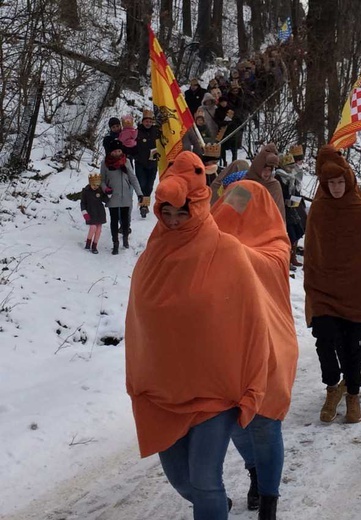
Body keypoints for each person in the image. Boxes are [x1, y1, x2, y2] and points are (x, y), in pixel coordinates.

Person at [125, 151, 276, 520]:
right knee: (181, 479)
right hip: (165, 392)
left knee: (206, 479)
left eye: (183, 213)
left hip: (215, 391)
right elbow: (139, 324)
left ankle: (263, 494)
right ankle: (214, 507)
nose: (175, 223)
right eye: (168, 214)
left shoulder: (229, 248)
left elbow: (251, 320)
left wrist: (252, 384)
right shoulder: (151, 258)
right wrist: (139, 380)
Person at [212, 180, 298, 520]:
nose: (238, 206)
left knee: (264, 423)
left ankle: (269, 499)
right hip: (224, 347)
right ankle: (255, 472)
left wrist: (224, 247)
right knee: (234, 421)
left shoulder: (275, 244)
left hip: (268, 344)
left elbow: (260, 264)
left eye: (246, 199)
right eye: (233, 199)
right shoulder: (210, 240)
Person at [304, 144, 361, 424]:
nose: (337, 188)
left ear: (349, 179)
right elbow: (313, 252)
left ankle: (354, 389)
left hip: (356, 288)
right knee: (325, 338)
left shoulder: (360, 208)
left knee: (355, 340)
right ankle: (332, 388)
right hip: (325, 289)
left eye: (341, 181)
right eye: (331, 183)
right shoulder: (319, 209)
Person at [100, 139, 143, 254]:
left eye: (119, 151)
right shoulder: (105, 163)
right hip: (112, 195)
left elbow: (133, 178)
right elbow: (102, 180)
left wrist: (139, 193)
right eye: (115, 151)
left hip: (125, 195)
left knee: (125, 220)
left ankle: (125, 238)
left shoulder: (126, 161)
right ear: (110, 152)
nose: (117, 153)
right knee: (114, 220)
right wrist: (105, 189)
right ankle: (115, 243)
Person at [275, 153, 305, 269]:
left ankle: (291, 257)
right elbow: (279, 194)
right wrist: (286, 200)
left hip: (291, 209)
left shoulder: (292, 178)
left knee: (297, 232)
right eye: (289, 166)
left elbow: (295, 193)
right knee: (289, 234)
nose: (291, 168)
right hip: (282, 209)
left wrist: (295, 199)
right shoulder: (278, 178)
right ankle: (285, 259)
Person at [244, 143, 285, 222]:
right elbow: (236, 209)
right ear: (258, 166)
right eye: (264, 169)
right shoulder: (246, 182)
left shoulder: (274, 185)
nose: (267, 173)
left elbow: (278, 214)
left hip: (267, 228)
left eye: (269, 170)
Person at [133, 109, 161, 218]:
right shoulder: (137, 132)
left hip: (153, 163)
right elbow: (131, 145)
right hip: (140, 163)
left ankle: (145, 203)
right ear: (142, 122)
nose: (148, 123)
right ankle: (143, 206)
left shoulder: (156, 131)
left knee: (149, 186)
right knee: (142, 184)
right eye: (146, 121)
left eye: (150, 121)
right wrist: (136, 157)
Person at [80, 173, 108, 254]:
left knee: (98, 230)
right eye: (93, 185)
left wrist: (109, 194)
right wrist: (84, 213)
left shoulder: (99, 191)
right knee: (93, 227)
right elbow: (83, 203)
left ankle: (94, 246)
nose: (95, 187)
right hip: (90, 213)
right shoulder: (86, 191)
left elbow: (105, 200)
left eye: (97, 185)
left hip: (99, 213)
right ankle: (88, 244)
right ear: (90, 183)